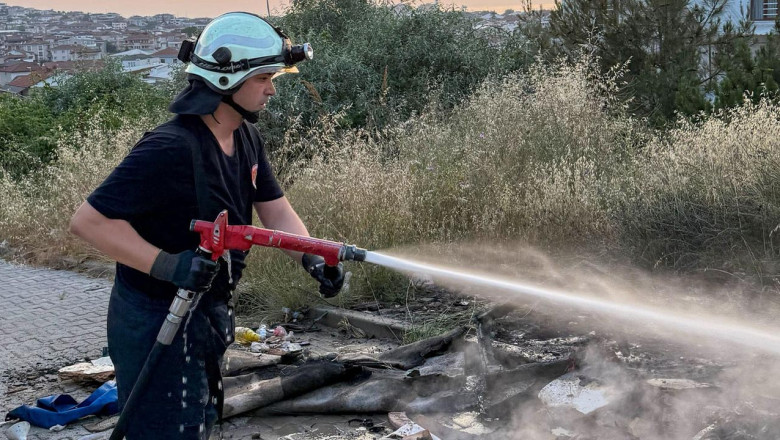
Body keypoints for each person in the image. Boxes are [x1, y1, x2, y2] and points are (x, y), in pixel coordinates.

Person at [69, 12, 344, 440]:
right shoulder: (170, 147)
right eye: (263, 78)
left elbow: (276, 213)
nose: (272, 88)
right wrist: (167, 265)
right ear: (224, 81)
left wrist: (314, 256)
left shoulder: (246, 138)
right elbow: (89, 221)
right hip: (154, 317)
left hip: (206, 313)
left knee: (197, 422)